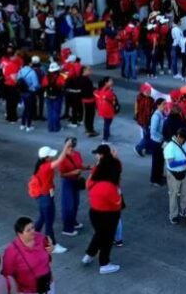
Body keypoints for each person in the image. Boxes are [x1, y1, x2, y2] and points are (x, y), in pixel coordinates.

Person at [82, 145, 123, 274]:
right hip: (109, 213)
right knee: (107, 238)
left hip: (94, 211)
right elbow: (117, 203)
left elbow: (88, 184)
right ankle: (104, 263)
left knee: (99, 234)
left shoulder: (97, 172)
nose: (96, 156)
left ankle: (89, 254)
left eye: (98, 154)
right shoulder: (111, 184)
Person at [30, 142, 71, 254]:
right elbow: (60, 160)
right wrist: (65, 148)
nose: (52, 157)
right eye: (50, 155)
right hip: (46, 197)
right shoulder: (45, 167)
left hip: (43, 197)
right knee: (49, 223)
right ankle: (52, 245)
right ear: (46, 157)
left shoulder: (40, 166)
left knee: (43, 218)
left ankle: (31, 237)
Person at [2, 217, 54, 293]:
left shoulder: (41, 238)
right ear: (20, 234)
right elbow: (7, 274)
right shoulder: (11, 251)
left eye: (33, 227)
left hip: (47, 284)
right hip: (28, 291)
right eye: (28, 230)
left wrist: (51, 248)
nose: (33, 231)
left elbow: (48, 257)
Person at [60, 137, 89, 237]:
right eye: (69, 146)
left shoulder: (77, 154)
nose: (71, 148)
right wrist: (73, 172)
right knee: (68, 205)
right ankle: (67, 228)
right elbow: (62, 174)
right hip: (68, 182)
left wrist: (87, 167)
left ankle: (73, 221)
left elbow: (80, 165)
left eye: (73, 146)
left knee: (76, 203)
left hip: (76, 181)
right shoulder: (63, 158)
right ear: (65, 146)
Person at [165, 128, 186, 224]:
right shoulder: (169, 147)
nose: (184, 141)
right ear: (178, 136)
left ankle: (184, 210)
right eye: (183, 139)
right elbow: (171, 164)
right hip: (173, 174)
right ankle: (173, 215)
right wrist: (185, 162)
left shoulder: (184, 143)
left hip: (185, 171)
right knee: (173, 194)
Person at [16, 56, 40, 132]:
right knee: (29, 109)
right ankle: (28, 126)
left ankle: (22, 124)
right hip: (30, 92)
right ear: (30, 63)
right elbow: (36, 84)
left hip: (22, 92)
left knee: (25, 108)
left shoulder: (20, 71)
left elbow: (17, 80)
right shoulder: (32, 72)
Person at [41, 62, 66, 133]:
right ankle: (56, 127)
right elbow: (63, 85)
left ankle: (50, 127)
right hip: (57, 96)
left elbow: (43, 85)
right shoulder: (60, 77)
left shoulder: (46, 77)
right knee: (56, 112)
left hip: (48, 96)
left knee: (50, 112)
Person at [133, 83, 155, 157]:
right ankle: (139, 148)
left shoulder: (141, 98)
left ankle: (148, 149)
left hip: (142, 120)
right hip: (144, 121)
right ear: (143, 91)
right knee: (147, 135)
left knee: (148, 135)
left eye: (149, 91)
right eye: (147, 91)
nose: (149, 92)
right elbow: (147, 112)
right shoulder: (146, 100)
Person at [148, 98, 167, 186]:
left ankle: (159, 176)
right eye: (163, 104)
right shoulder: (156, 116)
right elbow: (153, 131)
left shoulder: (162, 114)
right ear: (158, 105)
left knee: (161, 160)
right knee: (156, 161)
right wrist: (162, 137)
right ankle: (155, 179)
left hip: (159, 141)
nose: (165, 106)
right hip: (156, 142)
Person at [75, 66, 98, 136]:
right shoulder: (84, 80)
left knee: (89, 115)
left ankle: (89, 129)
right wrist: (93, 91)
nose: (90, 71)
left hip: (86, 99)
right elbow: (86, 90)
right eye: (89, 70)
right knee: (89, 115)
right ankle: (89, 130)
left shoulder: (81, 79)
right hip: (88, 100)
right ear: (84, 71)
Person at [95, 77, 118, 142]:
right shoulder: (108, 92)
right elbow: (113, 100)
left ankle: (107, 134)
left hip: (104, 109)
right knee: (107, 124)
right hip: (107, 110)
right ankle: (105, 138)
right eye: (110, 81)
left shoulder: (103, 89)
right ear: (106, 82)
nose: (112, 82)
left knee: (107, 123)